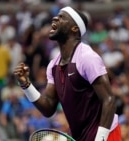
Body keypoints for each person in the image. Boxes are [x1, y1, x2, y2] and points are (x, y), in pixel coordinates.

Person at [14, 6, 121, 141]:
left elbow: (109, 100)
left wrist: (101, 138)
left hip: (105, 134)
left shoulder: (87, 58)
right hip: (79, 136)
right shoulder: (53, 66)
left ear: (74, 28)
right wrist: (26, 85)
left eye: (62, 17)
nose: (55, 18)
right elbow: (48, 108)